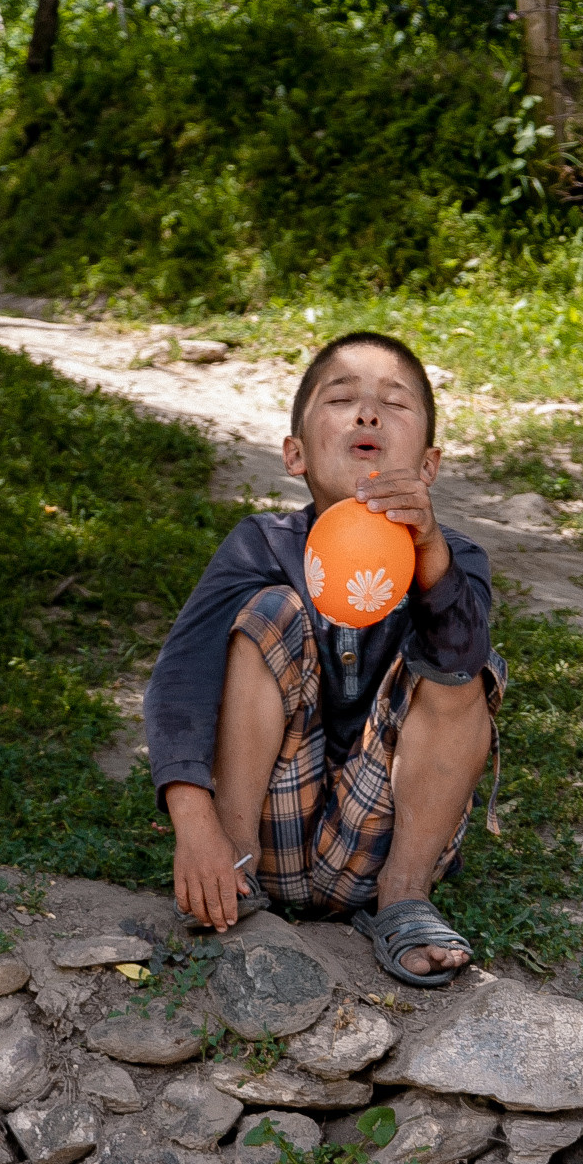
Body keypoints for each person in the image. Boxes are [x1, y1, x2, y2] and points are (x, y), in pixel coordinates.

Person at [143, 329, 499, 985]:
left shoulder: (454, 558)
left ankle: (406, 899)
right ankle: (235, 876)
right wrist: (197, 831)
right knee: (270, 612)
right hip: (268, 838)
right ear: (295, 453)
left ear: (428, 466)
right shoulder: (260, 545)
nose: (368, 413)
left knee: (467, 662)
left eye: (395, 403)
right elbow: (179, 681)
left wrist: (429, 555)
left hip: (378, 846)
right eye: (342, 398)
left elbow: (461, 660)